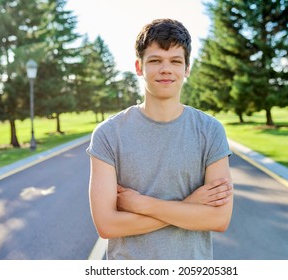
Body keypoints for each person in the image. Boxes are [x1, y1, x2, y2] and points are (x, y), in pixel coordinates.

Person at [86, 18, 234, 260]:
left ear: (187, 68)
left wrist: (141, 204)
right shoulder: (108, 134)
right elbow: (107, 226)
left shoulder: (210, 130)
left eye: (175, 61)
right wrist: (189, 205)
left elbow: (219, 219)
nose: (166, 69)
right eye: (155, 60)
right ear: (138, 66)